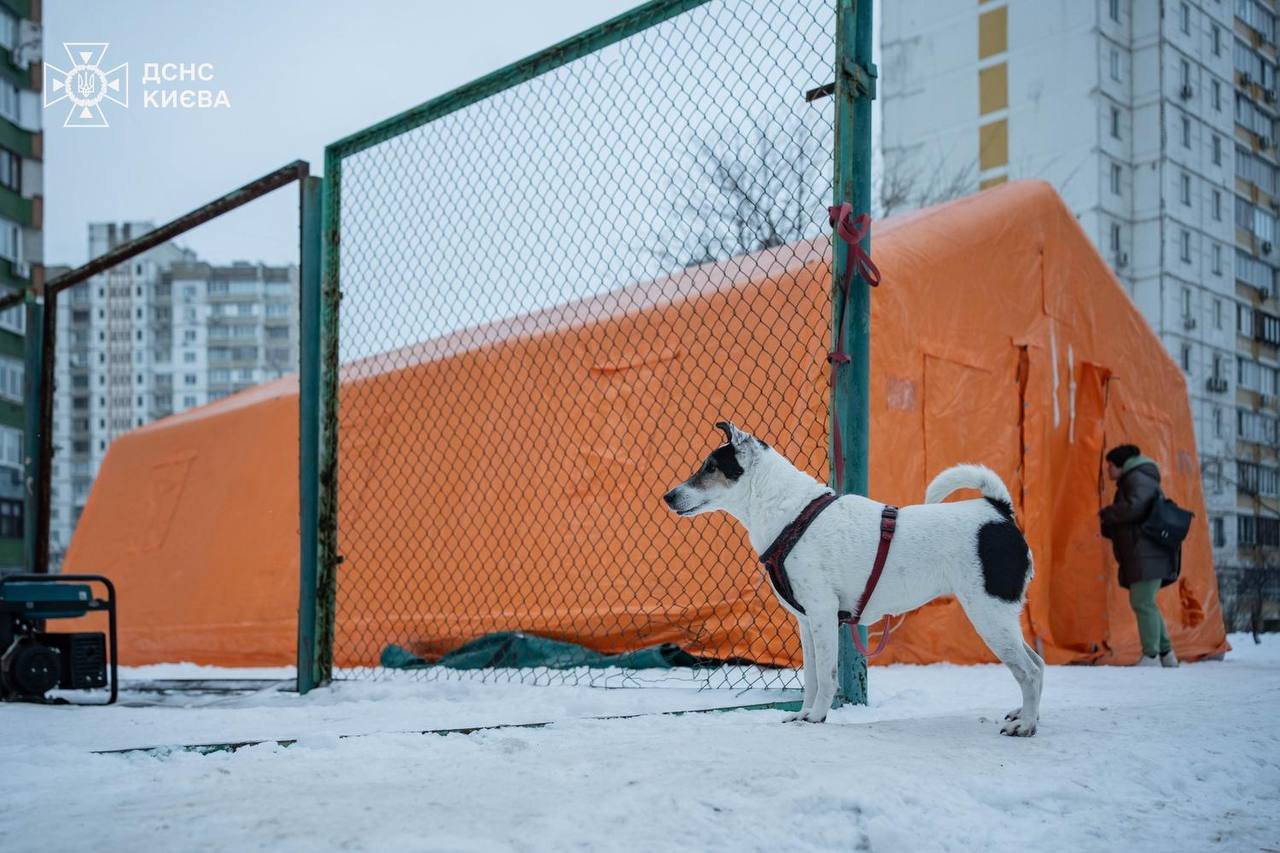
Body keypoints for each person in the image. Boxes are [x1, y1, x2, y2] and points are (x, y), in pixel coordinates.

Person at [1099, 444, 1180, 667]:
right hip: (1145, 553)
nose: (1107, 471)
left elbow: (1135, 507)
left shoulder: (1139, 477)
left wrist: (1108, 514)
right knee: (1147, 603)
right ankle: (1166, 654)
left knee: (1142, 602)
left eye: (1110, 466)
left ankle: (1151, 655)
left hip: (1147, 554)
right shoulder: (1136, 478)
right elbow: (1136, 516)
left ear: (1120, 464)